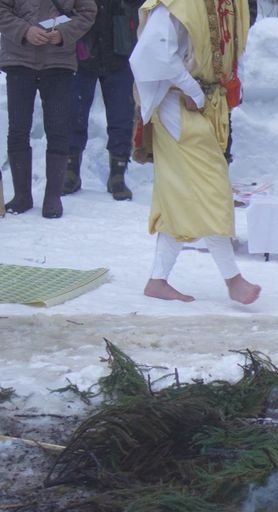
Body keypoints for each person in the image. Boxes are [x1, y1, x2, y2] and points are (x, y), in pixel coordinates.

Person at [130, 0, 262, 304]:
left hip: (203, 104)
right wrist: (191, 88)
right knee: (210, 189)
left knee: (183, 195)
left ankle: (158, 280)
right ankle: (233, 279)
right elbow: (151, 55)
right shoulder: (177, 4)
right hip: (176, 103)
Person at [0, 0, 96, 218]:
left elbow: (88, 12)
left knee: (58, 128)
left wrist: (63, 33)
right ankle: (22, 196)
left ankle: (53, 198)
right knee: (18, 129)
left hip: (58, 63)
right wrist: (25, 30)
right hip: (18, 59)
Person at [63, 0, 139, 201]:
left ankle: (118, 174)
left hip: (120, 48)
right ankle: (70, 171)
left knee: (121, 115)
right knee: (74, 113)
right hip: (82, 49)